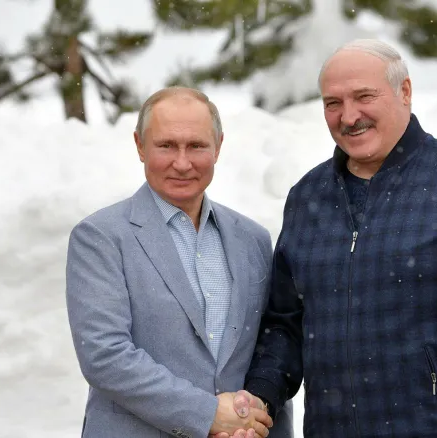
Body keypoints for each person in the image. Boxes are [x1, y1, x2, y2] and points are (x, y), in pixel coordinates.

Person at [218, 39, 437, 438]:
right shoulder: (307, 198)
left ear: (404, 91)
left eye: (364, 96)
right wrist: (260, 398)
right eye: (333, 103)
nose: (349, 116)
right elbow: (286, 326)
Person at [65, 86, 293, 438]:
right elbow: (105, 356)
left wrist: (257, 412)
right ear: (140, 146)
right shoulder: (101, 236)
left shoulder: (253, 239)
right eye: (167, 145)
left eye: (197, 146)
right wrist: (207, 415)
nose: (183, 163)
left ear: (218, 147)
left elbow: (268, 346)